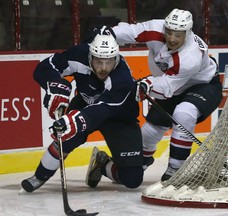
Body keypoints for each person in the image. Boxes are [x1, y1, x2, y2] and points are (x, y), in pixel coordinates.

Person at [21, 26, 144, 192]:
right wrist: (55, 85)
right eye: (99, 61)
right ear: (90, 55)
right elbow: (44, 68)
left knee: (133, 179)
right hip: (85, 103)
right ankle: (40, 176)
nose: (103, 68)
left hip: (119, 116)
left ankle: (101, 165)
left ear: (116, 58)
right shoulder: (79, 54)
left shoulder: (122, 78)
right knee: (64, 138)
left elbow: (102, 109)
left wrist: (73, 121)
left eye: (109, 61)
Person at [112, 8, 223, 181]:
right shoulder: (156, 28)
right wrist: (107, 34)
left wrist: (147, 84)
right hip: (173, 84)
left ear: (187, 33)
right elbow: (131, 31)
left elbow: (166, 88)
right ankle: (117, 165)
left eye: (178, 34)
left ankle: (175, 170)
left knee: (184, 113)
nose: (172, 38)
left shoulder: (190, 56)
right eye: (169, 32)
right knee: (149, 133)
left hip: (203, 86)